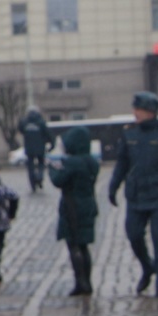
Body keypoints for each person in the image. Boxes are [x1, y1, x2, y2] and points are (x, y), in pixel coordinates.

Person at [108, 90, 158, 296]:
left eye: (139, 109)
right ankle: (148, 267)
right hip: (135, 195)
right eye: (135, 108)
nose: (135, 112)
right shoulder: (130, 134)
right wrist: (113, 186)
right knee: (134, 235)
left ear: (150, 111)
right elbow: (122, 164)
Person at [51, 125, 100, 296]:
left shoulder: (72, 163)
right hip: (88, 204)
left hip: (72, 206)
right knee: (84, 245)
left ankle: (81, 282)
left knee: (73, 244)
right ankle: (87, 280)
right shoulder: (91, 162)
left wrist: (52, 168)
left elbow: (58, 180)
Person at [21, 106, 54, 194]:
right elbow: (48, 134)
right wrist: (52, 145)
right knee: (41, 164)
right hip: (40, 148)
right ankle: (39, 177)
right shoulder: (41, 122)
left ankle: (33, 183)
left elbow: (20, 129)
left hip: (29, 149)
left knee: (30, 167)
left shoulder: (24, 122)